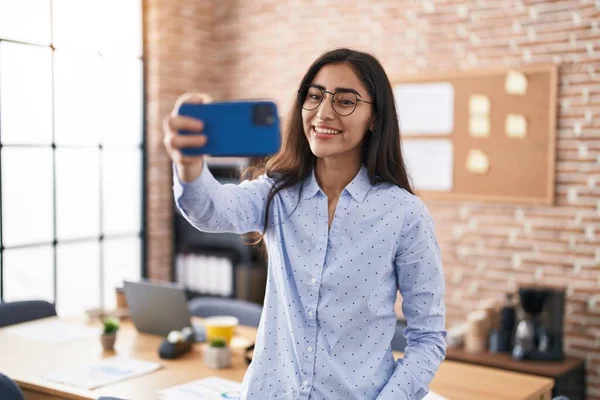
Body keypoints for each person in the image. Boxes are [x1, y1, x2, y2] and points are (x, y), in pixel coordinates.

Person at [163, 48, 446, 400]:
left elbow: (428, 337)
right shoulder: (277, 192)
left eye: (345, 101)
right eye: (314, 96)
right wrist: (188, 168)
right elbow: (209, 210)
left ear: (375, 118)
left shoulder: (404, 214)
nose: (323, 112)